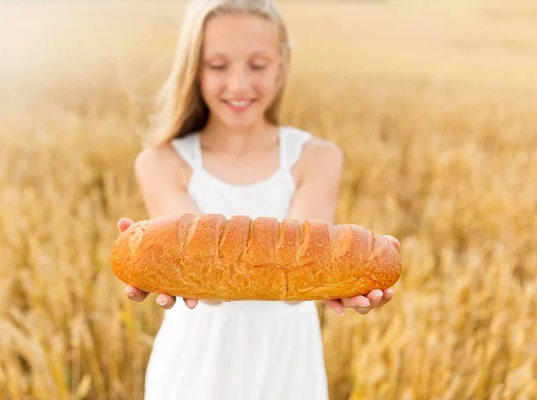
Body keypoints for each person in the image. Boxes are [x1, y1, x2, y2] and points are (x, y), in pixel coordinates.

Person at [116, 1, 400, 399]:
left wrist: (340, 285)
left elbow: (298, 282)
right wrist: (161, 266)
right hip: (193, 373)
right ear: (193, 68)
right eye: (218, 66)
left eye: (257, 65)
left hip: (286, 372)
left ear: (282, 64)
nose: (238, 85)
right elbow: (205, 288)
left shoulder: (316, 159)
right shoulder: (161, 162)